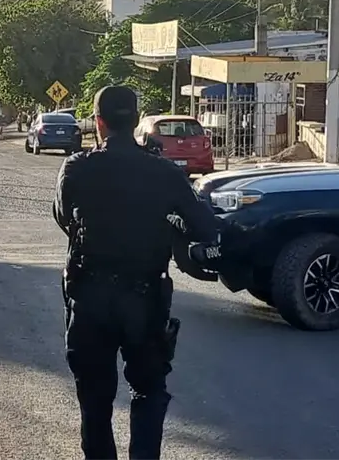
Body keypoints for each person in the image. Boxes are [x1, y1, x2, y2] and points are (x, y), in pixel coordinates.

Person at [53, 85, 221, 460]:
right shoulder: (162, 172)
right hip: (143, 300)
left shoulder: (77, 167)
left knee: (95, 399)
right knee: (148, 391)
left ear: (99, 123)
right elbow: (204, 228)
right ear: (136, 121)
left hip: (91, 296)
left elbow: (63, 217)